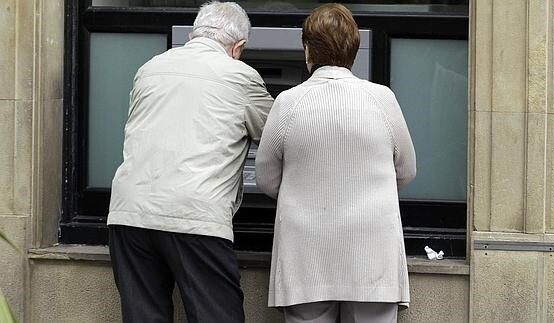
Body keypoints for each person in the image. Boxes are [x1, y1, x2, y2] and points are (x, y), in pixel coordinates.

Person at [107, 2, 273, 322]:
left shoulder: (150, 67)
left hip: (130, 212)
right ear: (238, 47)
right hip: (196, 214)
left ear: (190, 34)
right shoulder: (240, 76)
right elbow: (276, 136)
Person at [255, 3, 416, 323]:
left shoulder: (287, 102)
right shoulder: (382, 99)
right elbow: (406, 171)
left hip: (306, 256)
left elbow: (266, 178)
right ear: (353, 51)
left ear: (307, 51)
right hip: (372, 257)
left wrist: (303, 192)